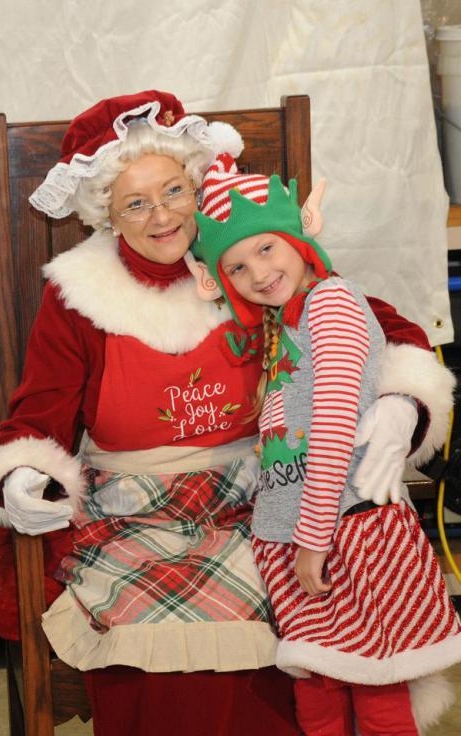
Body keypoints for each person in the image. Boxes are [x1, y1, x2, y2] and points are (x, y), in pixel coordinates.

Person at [0, 90, 455, 735]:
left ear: (199, 186)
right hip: (135, 514)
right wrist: (25, 477)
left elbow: (379, 327)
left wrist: (402, 404)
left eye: (173, 191)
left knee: (308, 624)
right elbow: (39, 413)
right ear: (107, 215)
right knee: (175, 667)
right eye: (135, 203)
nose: (161, 215)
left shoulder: (251, 264)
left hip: (266, 499)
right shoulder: (80, 294)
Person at [189, 155, 461, 735]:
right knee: (318, 689)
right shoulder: (281, 322)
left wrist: (311, 541)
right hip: (300, 533)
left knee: (375, 688)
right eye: (236, 266)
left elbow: (335, 427)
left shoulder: (331, 305)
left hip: (347, 533)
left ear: (298, 240)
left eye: (266, 249)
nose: (258, 273)